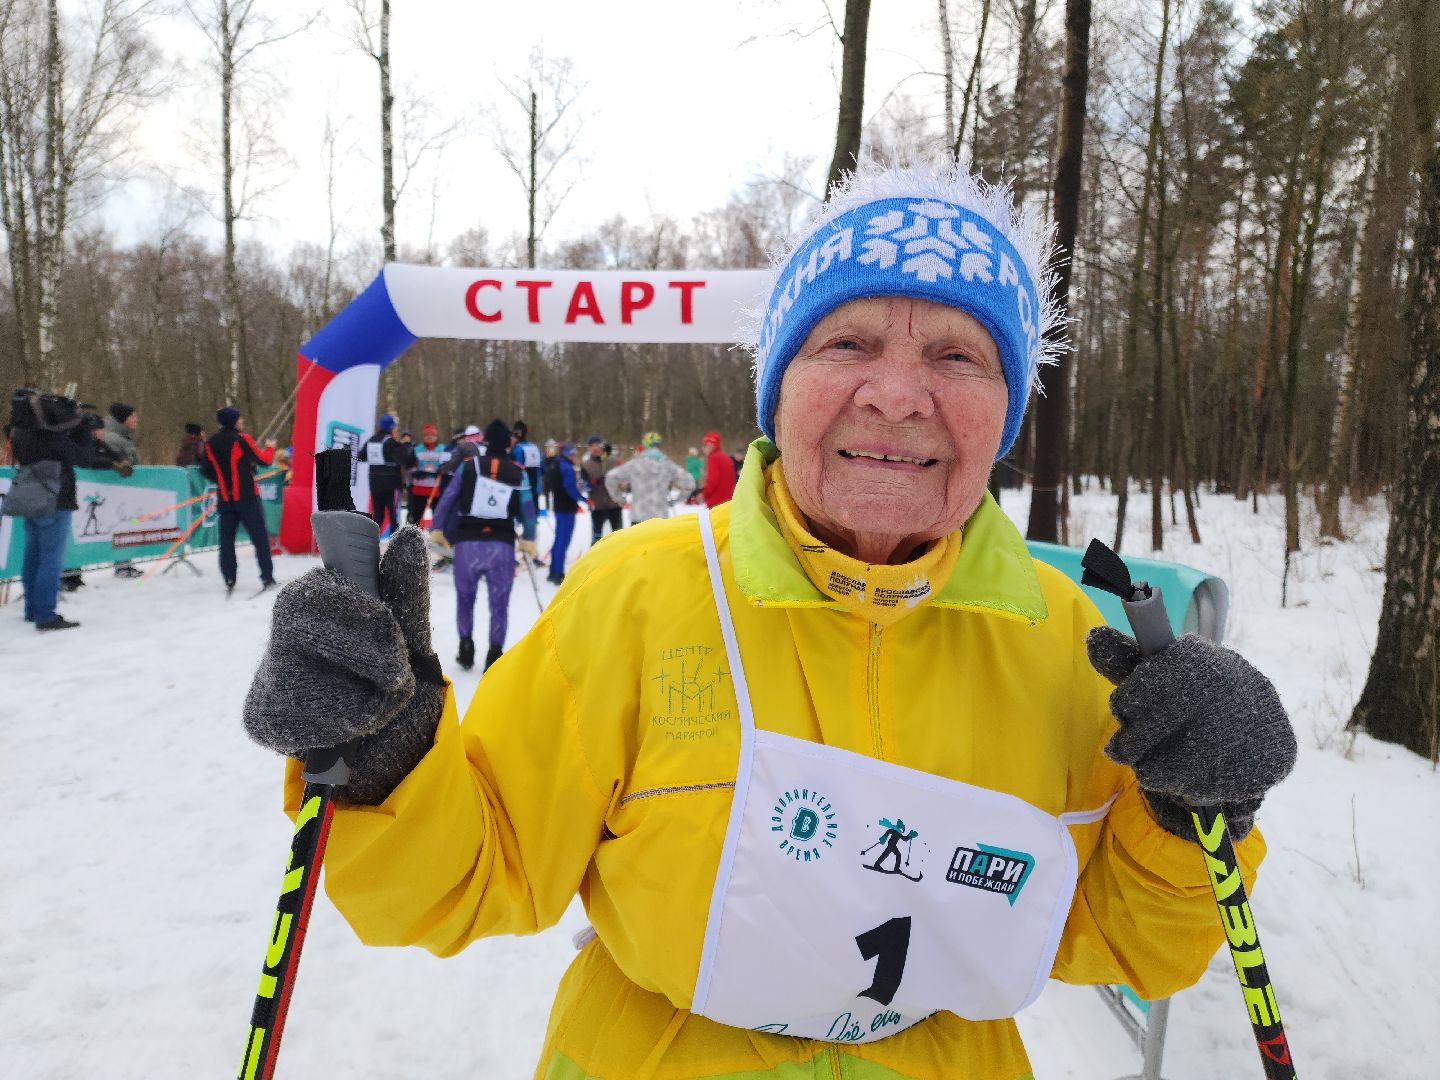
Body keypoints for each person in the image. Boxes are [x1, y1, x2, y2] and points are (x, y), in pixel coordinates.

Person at [241, 163, 1296, 1079]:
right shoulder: (639, 594)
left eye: (958, 357)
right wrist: (384, 758)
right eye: (847, 341)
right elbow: (465, 881)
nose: (896, 394)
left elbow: (1129, 943)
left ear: (1006, 410)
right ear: (778, 388)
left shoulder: (1078, 644)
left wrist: (1197, 820)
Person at [6, 390, 129, 630]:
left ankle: (32, 609)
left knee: (33, 557)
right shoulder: (52, 434)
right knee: (51, 560)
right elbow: (82, 457)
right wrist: (83, 433)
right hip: (56, 498)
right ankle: (45, 614)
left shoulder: (20, 432)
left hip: (31, 498)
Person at [428, 419, 527, 672]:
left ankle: (466, 647)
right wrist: (530, 536)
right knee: (499, 601)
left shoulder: (468, 467)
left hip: (468, 544)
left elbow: (448, 497)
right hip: (501, 546)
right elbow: (527, 507)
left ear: (486, 443)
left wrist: (437, 528)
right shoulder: (518, 471)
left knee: (465, 598)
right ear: (507, 446)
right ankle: (494, 654)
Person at [202, 406, 276, 597]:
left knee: (226, 540)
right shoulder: (241, 439)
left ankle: (229, 577)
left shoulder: (210, 443)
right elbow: (264, 460)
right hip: (247, 498)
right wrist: (271, 447)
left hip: (225, 499)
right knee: (259, 538)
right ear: (234, 421)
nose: (242, 421)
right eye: (240, 418)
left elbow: (206, 470)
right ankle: (267, 576)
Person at [604, 431, 694, 524]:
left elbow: (610, 477)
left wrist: (620, 500)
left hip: (638, 516)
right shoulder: (667, 465)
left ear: (644, 445)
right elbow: (689, 482)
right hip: (660, 517)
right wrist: (676, 500)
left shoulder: (635, 464)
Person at [102, 403, 145, 577]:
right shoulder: (112, 439)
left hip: (124, 493)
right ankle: (121, 564)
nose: (136, 420)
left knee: (126, 527)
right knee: (119, 527)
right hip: (115, 493)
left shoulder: (123, 437)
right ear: (122, 419)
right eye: (132, 416)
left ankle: (124, 562)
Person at [544, 441, 585, 584]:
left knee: (558, 539)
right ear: (568, 453)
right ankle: (558, 573)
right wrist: (583, 499)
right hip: (566, 508)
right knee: (563, 540)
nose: (575, 456)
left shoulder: (555, 464)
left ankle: (552, 571)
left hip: (559, 506)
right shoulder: (566, 467)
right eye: (573, 453)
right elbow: (570, 488)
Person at [363, 414, 406, 535]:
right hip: (391, 483)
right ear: (391, 428)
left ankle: (373, 539)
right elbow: (404, 458)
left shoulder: (371, 440)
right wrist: (401, 444)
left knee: (378, 514)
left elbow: (362, 456)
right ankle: (394, 541)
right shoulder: (391, 442)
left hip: (375, 482)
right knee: (393, 514)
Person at [579, 435, 622, 544]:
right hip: (597, 505)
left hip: (614, 504)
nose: (595, 448)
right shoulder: (586, 464)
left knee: (619, 537)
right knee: (597, 538)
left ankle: (622, 559)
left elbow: (623, 480)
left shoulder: (614, 460)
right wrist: (593, 483)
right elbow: (582, 485)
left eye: (597, 445)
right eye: (591, 446)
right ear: (588, 448)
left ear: (601, 446)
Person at [406, 423, 448, 526]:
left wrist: (443, 469)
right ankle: (415, 537)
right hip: (420, 487)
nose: (429, 437)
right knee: (417, 516)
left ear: (436, 436)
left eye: (432, 434)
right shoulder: (416, 449)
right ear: (423, 436)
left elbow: (448, 465)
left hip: (436, 488)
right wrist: (415, 472)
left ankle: (437, 536)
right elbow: (409, 466)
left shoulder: (443, 449)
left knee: (438, 515)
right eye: (427, 435)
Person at [512, 420, 543, 511]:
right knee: (531, 522)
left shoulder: (517, 449)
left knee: (523, 520)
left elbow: (515, 470)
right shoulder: (535, 447)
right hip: (535, 492)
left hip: (523, 493)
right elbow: (542, 469)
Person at [701, 430, 737, 507]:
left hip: (715, 502)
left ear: (711, 445)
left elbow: (713, 481)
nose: (703, 448)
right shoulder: (726, 458)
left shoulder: (713, 457)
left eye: (705, 445)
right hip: (727, 501)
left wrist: (704, 494)